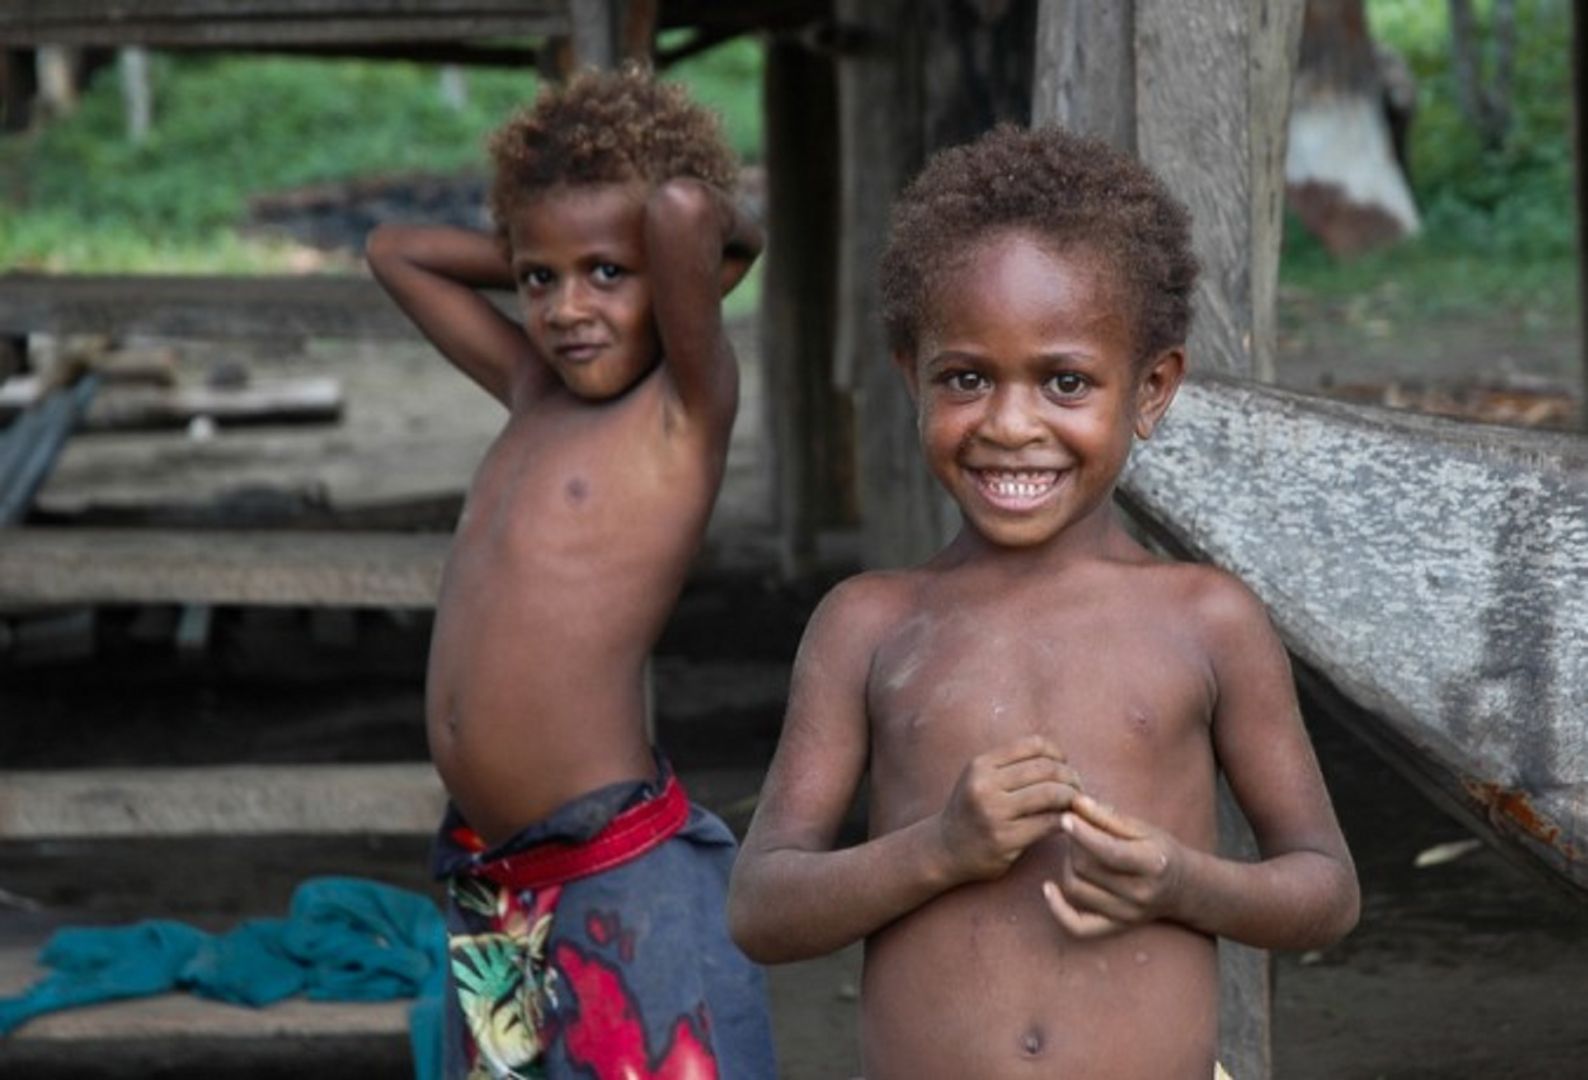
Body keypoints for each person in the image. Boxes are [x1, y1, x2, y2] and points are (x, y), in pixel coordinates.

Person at [727, 124, 1359, 1080]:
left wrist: (1183, 882)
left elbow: (1325, 888)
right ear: (912, 376)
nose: (1011, 424)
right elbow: (761, 908)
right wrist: (938, 850)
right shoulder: (870, 625)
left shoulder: (1207, 620)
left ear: (1152, 389)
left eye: (1065, 382)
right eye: (967, 378)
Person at [366, 66, 773, 1079]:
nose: (564, 307)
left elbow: (684, 209)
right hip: (492, 878)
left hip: (616, 876)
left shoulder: (684, 409)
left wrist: (685, 249)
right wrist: (550, 247)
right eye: (539, 279)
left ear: (673, 277)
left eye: (606, 272)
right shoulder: (528, 387)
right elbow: (394, 250)